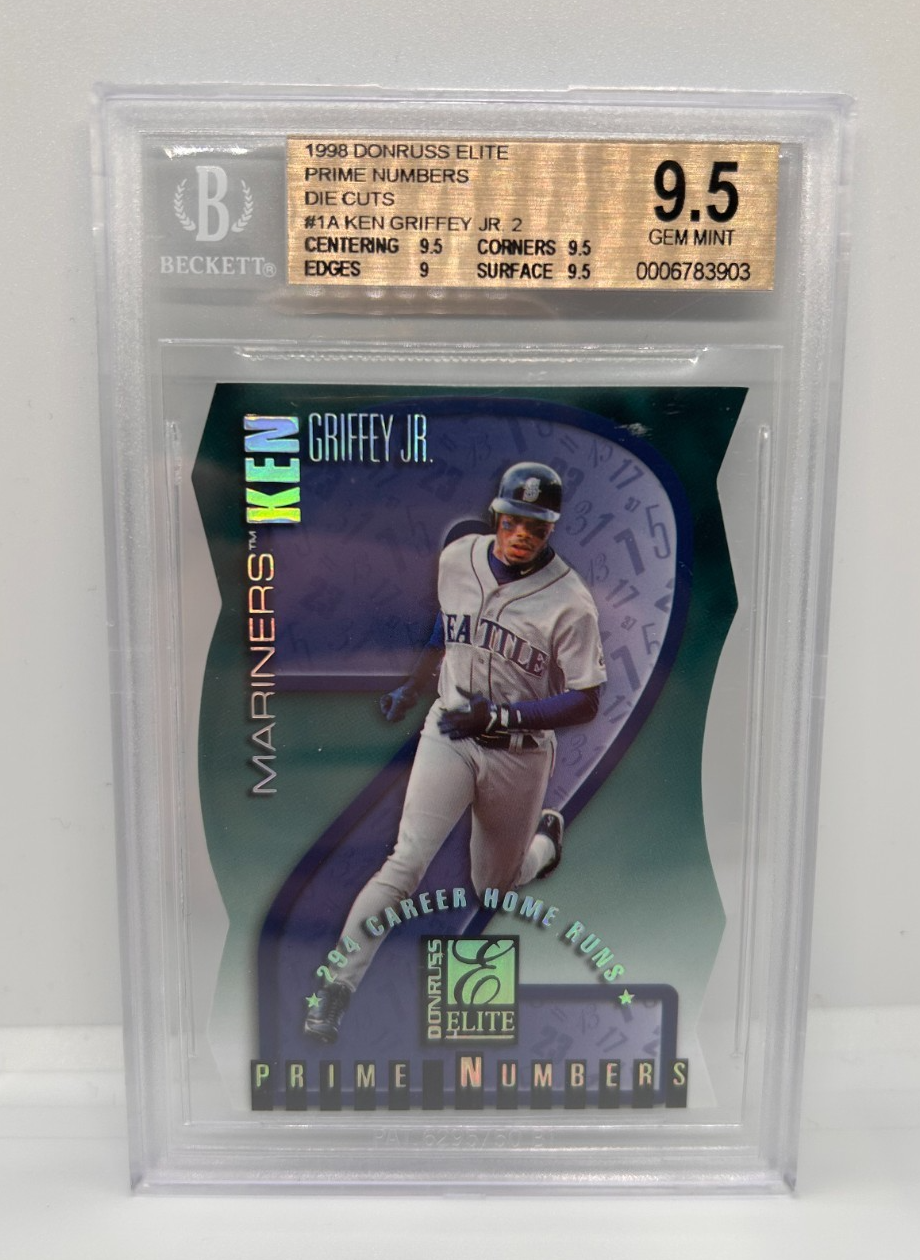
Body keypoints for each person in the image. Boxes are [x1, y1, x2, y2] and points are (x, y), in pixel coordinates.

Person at [304, 461, 607, 1042]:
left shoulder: (572, 603)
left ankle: (545, 844)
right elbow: (447, 627)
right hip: (451, 730)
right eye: (514, 520)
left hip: (519, 753)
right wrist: (414, 686)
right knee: (405, 863)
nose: (522, 534)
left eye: (537, 526)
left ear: (551, 529)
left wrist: (502, 716)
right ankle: (335, 989)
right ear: (496, 515)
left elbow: (586, 700)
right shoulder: (457, 558)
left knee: (494, 886)